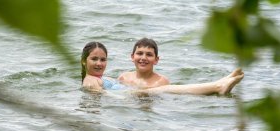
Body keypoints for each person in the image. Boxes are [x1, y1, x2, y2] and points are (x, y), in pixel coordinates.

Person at [81, 40, 244, 95]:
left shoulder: (102, 78)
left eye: (103, 59)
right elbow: (105, 97)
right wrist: (132, 96)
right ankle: (217, 85)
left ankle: (219, 84)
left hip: (138, 95)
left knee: (174, 90)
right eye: (94, 59)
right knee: (174, 90)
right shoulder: (90, 80)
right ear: (84, 61)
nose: (99, 63)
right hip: (135, 96)